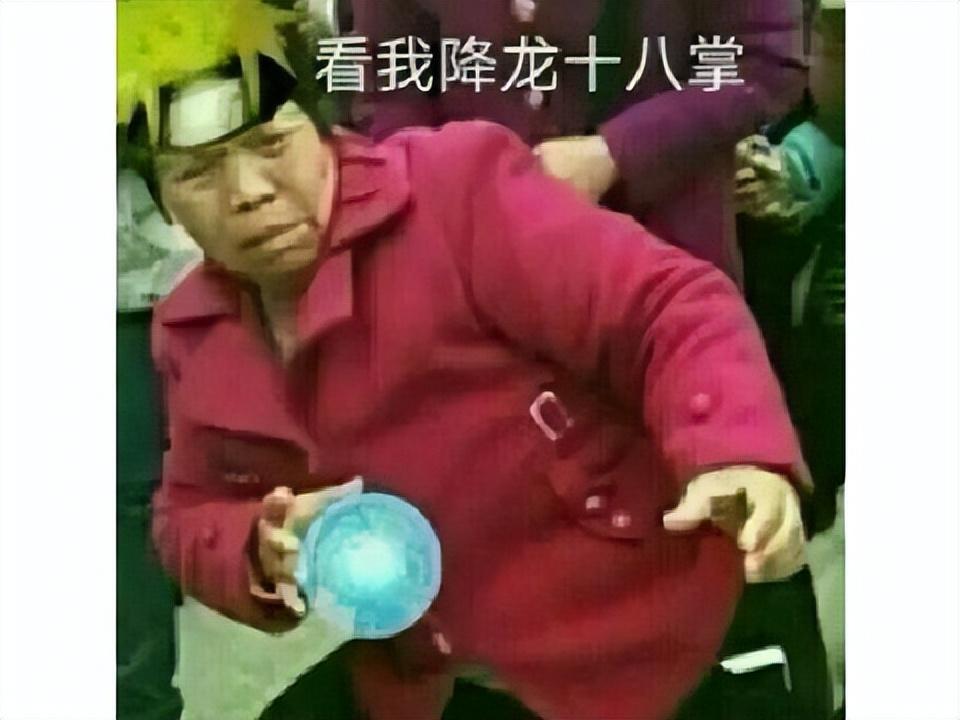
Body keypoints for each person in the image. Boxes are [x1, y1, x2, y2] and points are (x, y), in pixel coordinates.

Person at [119, 2, 810, 718]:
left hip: (643, 640)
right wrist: (256, 545)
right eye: (197, 173)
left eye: (271, 144)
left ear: (324, 128)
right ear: (162, 205)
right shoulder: (195, 332)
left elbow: (665, 306)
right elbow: (187, 509)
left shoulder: (454, 192)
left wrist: (731, 451)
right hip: (439, 671)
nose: (248, 193)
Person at [351, 0, 809, 285]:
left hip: (660, 262)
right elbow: (389, 84)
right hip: (471, 275)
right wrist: (433, 196)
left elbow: (763, 62)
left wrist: (613, 153)